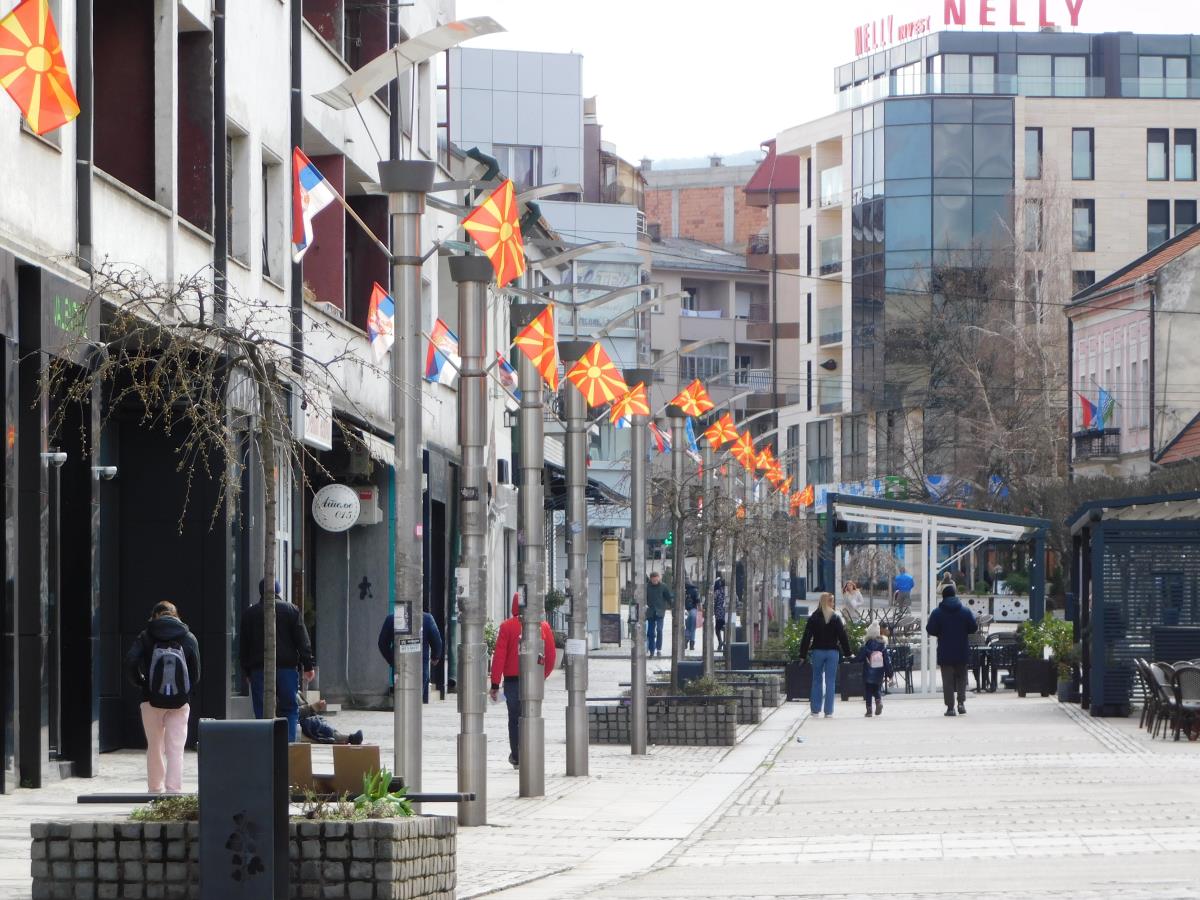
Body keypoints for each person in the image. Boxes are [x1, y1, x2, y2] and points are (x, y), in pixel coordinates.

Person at [125, 601, 201, 793]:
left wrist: (141, 682)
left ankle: (155, 789)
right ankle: (173, 790)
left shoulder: (145, 636)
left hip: (151, 700)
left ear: (154, 616)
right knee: (176, 748)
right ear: (177, 615)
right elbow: (196, 673)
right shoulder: (188, 637)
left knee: (155, 745)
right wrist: (185, 690)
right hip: (180, 702)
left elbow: (131, 661)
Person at [239, 580, 315, 743]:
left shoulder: (249, 614)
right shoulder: (291, 610)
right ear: (279, 591)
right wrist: (308, 665)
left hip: (259, 669)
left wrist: (246, 671)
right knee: (290, 707)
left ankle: (265, 745)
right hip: (287, 668)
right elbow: (302, 640)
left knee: (262, 710)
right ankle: (287, 746)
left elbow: (244, 645)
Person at [490, 593, 557, 768]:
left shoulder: (506, 627)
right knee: (533, 716)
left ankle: (517, 756)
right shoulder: (543, 627)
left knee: (514, 719)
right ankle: (533, 754)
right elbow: (550, 656)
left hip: (512, 683)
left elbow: (499, 657)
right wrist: (541, 676)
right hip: (534, 679)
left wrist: (495, 684)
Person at [926, 583, 978, 716]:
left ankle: (950, 708)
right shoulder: (965, 611)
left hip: (945, 651)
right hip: (961, 650)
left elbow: (930, 629)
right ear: (955, 596)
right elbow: (973, 628)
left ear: (943, 597)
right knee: (961, 678)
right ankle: (961, 703)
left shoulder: (937, 613)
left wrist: (940, 632)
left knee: (947, 681)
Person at [798, 592, 851, 718]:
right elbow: (842, 636)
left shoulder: (814, 617)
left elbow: (806, 637)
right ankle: (828, 711)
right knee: (830, 681)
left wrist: (803, 654)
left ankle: (815, 710)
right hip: (833, 652)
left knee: (816, 680)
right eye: (832, 601)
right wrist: (848, 652)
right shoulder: (835, 617)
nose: (833, 604)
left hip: (818, 651)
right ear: (829, 602)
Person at [377, 609, 444, 703]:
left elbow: (382, 643)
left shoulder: (392, 618)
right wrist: (435, 657)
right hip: (420, 665)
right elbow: (437, 641)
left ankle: (402, 711)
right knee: (416, 696)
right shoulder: (427, 619)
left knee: (400, 693)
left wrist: (392, 660)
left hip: (399, 665)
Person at [855, 622, 893, 717]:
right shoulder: (882, 645)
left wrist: (853, 659)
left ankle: (869, 711)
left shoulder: (866, 645)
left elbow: (859, 658)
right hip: (879, 672)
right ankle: (878, 701)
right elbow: (887, 661)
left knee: (868, 690)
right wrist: (889, 673)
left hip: (868, 672)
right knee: (876, 689)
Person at [293, 694, 363, 745]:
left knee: (321, 721)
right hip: (297, 720)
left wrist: (313, 709)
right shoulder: (287, 693)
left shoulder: (297, 692)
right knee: (314, 723)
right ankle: (347, 738)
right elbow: (291, 712)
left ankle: (340, 737)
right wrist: (311, 708)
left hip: (304, 717)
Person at [645, 572, 673, 658]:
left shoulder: (663, 586)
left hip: (660, 611)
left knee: (660, 630)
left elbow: (669, 597)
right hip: (650, 612)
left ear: (659, 578)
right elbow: (643, 597)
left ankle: (659, 649)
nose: (655, 581)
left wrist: (673, 607)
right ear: (650, 579)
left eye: (656, 579)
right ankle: (652, 650)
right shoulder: (647, 587)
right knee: (650, 632)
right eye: (653, 580)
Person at [713, 573, 727, 651]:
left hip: (719, 614)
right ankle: (725, 642)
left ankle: (720, 642)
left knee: (717, 629)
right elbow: (737, 601)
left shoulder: (717, 592)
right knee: (726, 629)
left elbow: (713, 601)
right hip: (728, 615)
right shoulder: (732, 592)